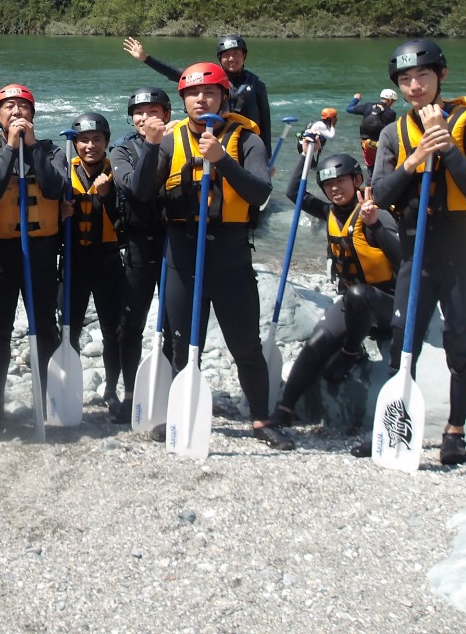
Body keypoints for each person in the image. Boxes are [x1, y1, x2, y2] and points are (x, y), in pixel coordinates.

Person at [133, 62, 293, 449]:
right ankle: (179, 414)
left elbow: (260, 194)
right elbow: (140, 193)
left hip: (230, 253)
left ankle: (260, 419)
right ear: (182, 101)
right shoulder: (169, 140)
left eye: (209, 93)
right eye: (192, 94)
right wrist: (151, 147)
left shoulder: (247, 140)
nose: (200, 99)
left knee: (245, 345)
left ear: (225, 97)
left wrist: (222, 158)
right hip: (183, 252)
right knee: (182, 343)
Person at [371, 39, 466, 466]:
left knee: (459, 340)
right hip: (416, 253)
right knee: (401, 340)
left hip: (464, 253)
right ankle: (392, 424)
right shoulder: (392, 133)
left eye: (422, 76)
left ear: (441, 76)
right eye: (405, 80)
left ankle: (455, 432)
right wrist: (415, 159)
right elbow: (384, 194)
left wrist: (446, 147)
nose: (414, 87)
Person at [269, 153, 400, 428]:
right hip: (355, 305)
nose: (335, 189)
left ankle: (351, 352)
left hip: (388, 302)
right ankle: (285, 408)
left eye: (341, 181)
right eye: (328, 185)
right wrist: (306, 154)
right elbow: (294, 191)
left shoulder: (377, 214)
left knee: (357, 295)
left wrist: (374, 223)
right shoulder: (329, 212)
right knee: (315, 345)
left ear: (357, 180)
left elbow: (402, 259)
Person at [0, 84, 67, 425]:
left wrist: (32, 148)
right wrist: (11, 149)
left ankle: (48, 396)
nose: (16, 113)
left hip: (40, 251)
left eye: (23, 107)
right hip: (0, 253)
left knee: (45, 326)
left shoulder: (52, 150)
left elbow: (55, 187)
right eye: (9, 107)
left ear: (33, 115)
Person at [108, 87, 172, 423]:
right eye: (138, 112)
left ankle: (170, 389)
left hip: (177, 243)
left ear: (166, 113)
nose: (144, 117)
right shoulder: (122, 149)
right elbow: (139, 189)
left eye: (152, 110)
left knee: (176, 323)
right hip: (139, 244)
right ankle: (131, 392)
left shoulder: (183, 142)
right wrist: (151, 144)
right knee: (129, 323)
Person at [61, 112, 127, 421]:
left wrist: (108, 195)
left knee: (113, 330)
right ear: (74, 144)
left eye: (96, 140)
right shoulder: (61, 173)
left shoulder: (119, 172)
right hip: (74, 261)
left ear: (107, 142)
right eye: (83, 140)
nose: (90, 146)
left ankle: (111, 390)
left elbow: (126, 222)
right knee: (69, 329)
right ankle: (69, 387)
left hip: (108, 260)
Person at [124, 35, 272, 154]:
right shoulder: (208, 79)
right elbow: (174, 73)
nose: (232, 59)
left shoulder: (256, 84)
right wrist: (146, 58)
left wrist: (266, 156)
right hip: (216, 136)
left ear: (244, 56)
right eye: (226, 55)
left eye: (236, 54)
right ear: (220, 59)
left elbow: (265, 122)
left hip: (247, 140)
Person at [347, 88, 399, 178]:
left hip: (366, 143)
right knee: (383, 168)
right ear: (390, 100)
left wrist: (356, 99)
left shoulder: (368, 105)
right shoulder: (391, 113)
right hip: (380, 144)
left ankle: (370, 187)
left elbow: (349, 109)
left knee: (370, 169)